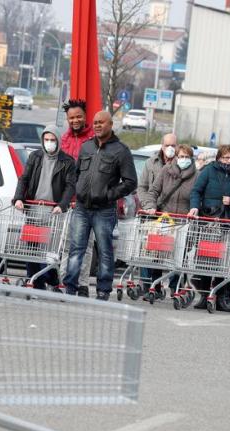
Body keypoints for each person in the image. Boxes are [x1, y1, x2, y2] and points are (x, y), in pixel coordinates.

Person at [65, 111, 136, 300]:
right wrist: (78, 189)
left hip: (104, 210)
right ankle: (70, 288)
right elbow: (76, 173)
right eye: (95, 122)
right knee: (76, 249)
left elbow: (131, 182)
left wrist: (109, 194)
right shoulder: (86, 147)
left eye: (101, 122)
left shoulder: (121, 151)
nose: (97, 125)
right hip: (81, 208)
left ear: (111, 124)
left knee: (105, 251)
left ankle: (103, 290)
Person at [12, 125, 77, 290]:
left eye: (52, 140)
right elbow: (24, 179)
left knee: (48, 253)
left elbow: (70, 186)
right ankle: (36, 283)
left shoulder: (67, 162)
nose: (49, 143)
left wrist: (62, 205)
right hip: (34, 209)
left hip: (53, 213)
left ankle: (52, 278)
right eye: (46, 140)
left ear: (58, 141)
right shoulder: (35, 157)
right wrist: (19, 198)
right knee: (32, 250)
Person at [188, 144, 230, 311]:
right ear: (219, 158)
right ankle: (204, 294)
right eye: (226, 157)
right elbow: (196, 191)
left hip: (229, 223)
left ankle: (223, 296)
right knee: (206, 259)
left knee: (225, 261)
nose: (229, 161)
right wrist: (195, 207)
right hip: (209, 220)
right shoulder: (208, 171)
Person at [141, 143, 198, 297]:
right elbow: (153, 191)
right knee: (158, 254)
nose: (184, 159)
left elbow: (198, 195)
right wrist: (150, 206)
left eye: (187, 157)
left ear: (191, 159)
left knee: (180, 255)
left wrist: (195, 208)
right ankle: (155, 287)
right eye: (181, 157)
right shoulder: (166, 170)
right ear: (176, 158)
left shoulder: (196, 175)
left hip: (184, 222)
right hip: (165, 220)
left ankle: (175, 287)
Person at [60, 98, 95, 297]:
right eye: (71, 117)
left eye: (78, 117)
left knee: (86, 245)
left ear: (85, 117)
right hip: (67, 200)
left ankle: (82, 284)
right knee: (66, 244)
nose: (75, 120)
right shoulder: (64, 139)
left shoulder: (93, 139)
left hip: (87, 201)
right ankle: (66, 280)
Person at [137, 133, 177, 298]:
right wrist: (148, 206)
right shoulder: (150, 163)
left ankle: (175, 288)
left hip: (172, 216)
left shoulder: (182, 164)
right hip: (153, 214)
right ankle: (149, 286)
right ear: (161, 146)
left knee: (173, 252)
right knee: (149, 250)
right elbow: (142, 188)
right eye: (167, 145)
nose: (170, 149)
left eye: (173, 145)